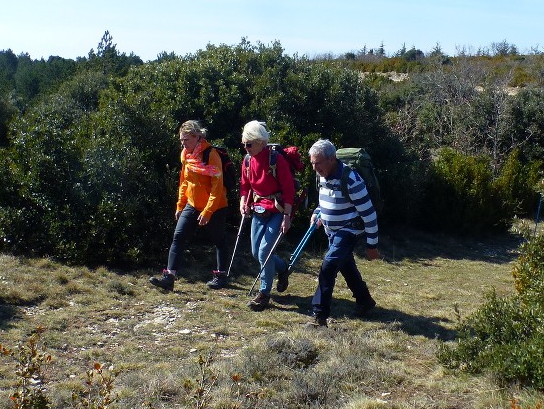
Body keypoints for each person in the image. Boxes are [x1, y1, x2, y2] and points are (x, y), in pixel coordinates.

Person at [150, 120, 230, 291]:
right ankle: (169, 277)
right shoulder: (185, 155)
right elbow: (184, 182)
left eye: (186, 140)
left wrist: (208, 211)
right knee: (178, 236)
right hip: (192, 204)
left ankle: (221, 276)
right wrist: (180, 205)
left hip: (215, 206)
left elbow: (217, 187)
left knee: (219, 240)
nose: (183, 143)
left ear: (197, 137)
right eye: (181, 140)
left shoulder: (211, 155)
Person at [307, 139, 379, 327]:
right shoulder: (322, 174)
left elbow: (369, 213)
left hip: (348, 231)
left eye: (318, 163)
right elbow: (323, 201)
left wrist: (372, 244)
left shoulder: (351, 180)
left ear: (332, 159)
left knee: (328, 267)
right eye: (312, 163)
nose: (315, 167)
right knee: (346, 266)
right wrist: (317, 213)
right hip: (331, 230)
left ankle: (319, 315)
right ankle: (365, 302)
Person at [239, 120, 295, 310]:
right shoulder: (247, 161)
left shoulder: (275, 160)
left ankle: (264, 294)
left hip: (277, 211)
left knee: (265, 252)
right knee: (257, 252)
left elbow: (288, 188)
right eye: (244, 144)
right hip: (258, 209)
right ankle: (283, 268)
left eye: (249, 144)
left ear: (261, 142)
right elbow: (245, 186)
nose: (246, 148)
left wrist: (287, 216)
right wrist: (242, 202)